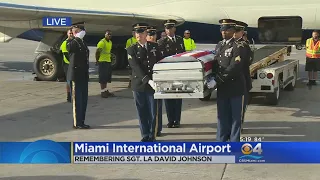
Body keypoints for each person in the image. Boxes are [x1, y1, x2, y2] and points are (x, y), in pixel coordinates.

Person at [208, 19, 246, 142]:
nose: (224, 32)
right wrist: (210, 76)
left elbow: (234, 67)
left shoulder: (238, 46)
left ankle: (234, 142)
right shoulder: (219, 45)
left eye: (227, 30)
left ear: (233, 31)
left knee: (235, 117)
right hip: (222, 87)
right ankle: (221, 140)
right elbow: (216, 63)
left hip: (234, 86)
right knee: (222, 116)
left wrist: (218, 79)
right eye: (222, 30)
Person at [127, 23, 162, 142]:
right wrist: (148, 80)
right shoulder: (131, 49)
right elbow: (135, 67)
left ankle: (152, 134)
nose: (138, 35)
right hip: (139, 84)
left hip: (153, 84)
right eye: (137, 32)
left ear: (146, 34)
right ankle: (145, 134)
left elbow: (159, 63)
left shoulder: (154, 46)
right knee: (142, 111)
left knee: (153, 111)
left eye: (141, 32)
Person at [158, 19, 185, 128]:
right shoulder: (162, 42)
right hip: (168, 73)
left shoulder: (179, 40)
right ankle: (170, 120)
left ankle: (177, 120)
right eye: (166, 29)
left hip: (178, 73)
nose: (168, 30)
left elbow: (183, 54)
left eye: (170, 28)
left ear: (174, 28)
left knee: (178, 96)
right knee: (168, 98)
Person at [66, 24, 90, 129]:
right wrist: (76, 38)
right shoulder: (71, 42)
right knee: (77, 100)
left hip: (83, 75)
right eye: (81, 30)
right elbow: (69, 48)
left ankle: (82, 121)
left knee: (84, 100)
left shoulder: (82, 42)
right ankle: (77, 123)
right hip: (75, 75)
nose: (83, 32)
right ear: (76, 31)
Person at [234, 20, 253, 125]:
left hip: (241, 80)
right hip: (231, 82)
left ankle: (238, 125)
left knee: (240, 107)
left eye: (237, 31)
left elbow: (247, 61)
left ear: (242, 33)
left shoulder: (243, 45)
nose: (235, 33)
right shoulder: (229, 44)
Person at [146, 25, 163, 137]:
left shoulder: (157, 47)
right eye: (150, 35)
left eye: (153, 35)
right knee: (146, 109)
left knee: (156, 109)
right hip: (145, 81)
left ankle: (156, 129)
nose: (152, 37)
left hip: (156, 80)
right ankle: (149, 130)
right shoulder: (139, 47)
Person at [95, 30, 115, 98]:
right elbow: (97, 52)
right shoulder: (102, 42)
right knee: (102, 78)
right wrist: (97, 60)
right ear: (105, 35)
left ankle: (105, 90)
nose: (109, 35)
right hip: (102, 61)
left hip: (108, 61)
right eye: (108, 34)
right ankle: (102, 92)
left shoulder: (110, 42)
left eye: (110, 34)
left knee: (106, 77)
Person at [60, 28, 74, 102]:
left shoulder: (74, 42)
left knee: (73, 81)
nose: (71, 34)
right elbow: (66, 55)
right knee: (69, 81)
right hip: (67, 65)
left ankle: (73, 95)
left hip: (72, 64)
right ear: (67, 34)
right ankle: (69, 96)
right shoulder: (65, 43)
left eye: (72, 33)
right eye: (70, 33)